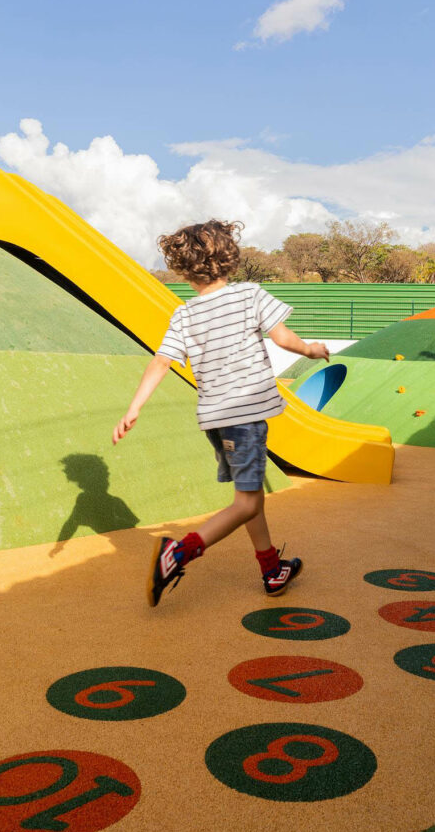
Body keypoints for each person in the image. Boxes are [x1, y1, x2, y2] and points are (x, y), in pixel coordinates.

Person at [112, 219, 329, 607]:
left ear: (183, 268)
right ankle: (178, 553)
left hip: (216, 420)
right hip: (245, 417)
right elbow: (282, 338)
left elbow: (162, 361)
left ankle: (271, 570)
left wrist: (134, 407)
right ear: (229, 258)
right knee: (247, 503)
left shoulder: (184, 315)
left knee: (249, 495)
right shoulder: (249, 295)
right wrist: (311, 350)